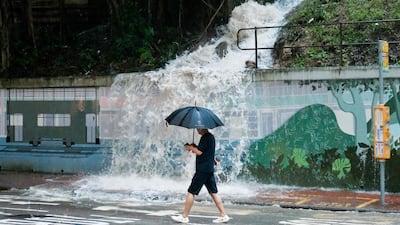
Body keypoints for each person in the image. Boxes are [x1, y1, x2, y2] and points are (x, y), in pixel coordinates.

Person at [171, 128, 230, 224]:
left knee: (191, 191)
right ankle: (223, 215)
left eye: (198, 128)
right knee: (213, 192)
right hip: (209, 170)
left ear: (203, 128)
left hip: (203, 170)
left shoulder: (205, 137)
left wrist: (191, 148)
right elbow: (206, 151)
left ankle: (184, 216)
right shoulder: (211, 137)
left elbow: (200, 152)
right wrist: (195, 147)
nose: (197, 129)